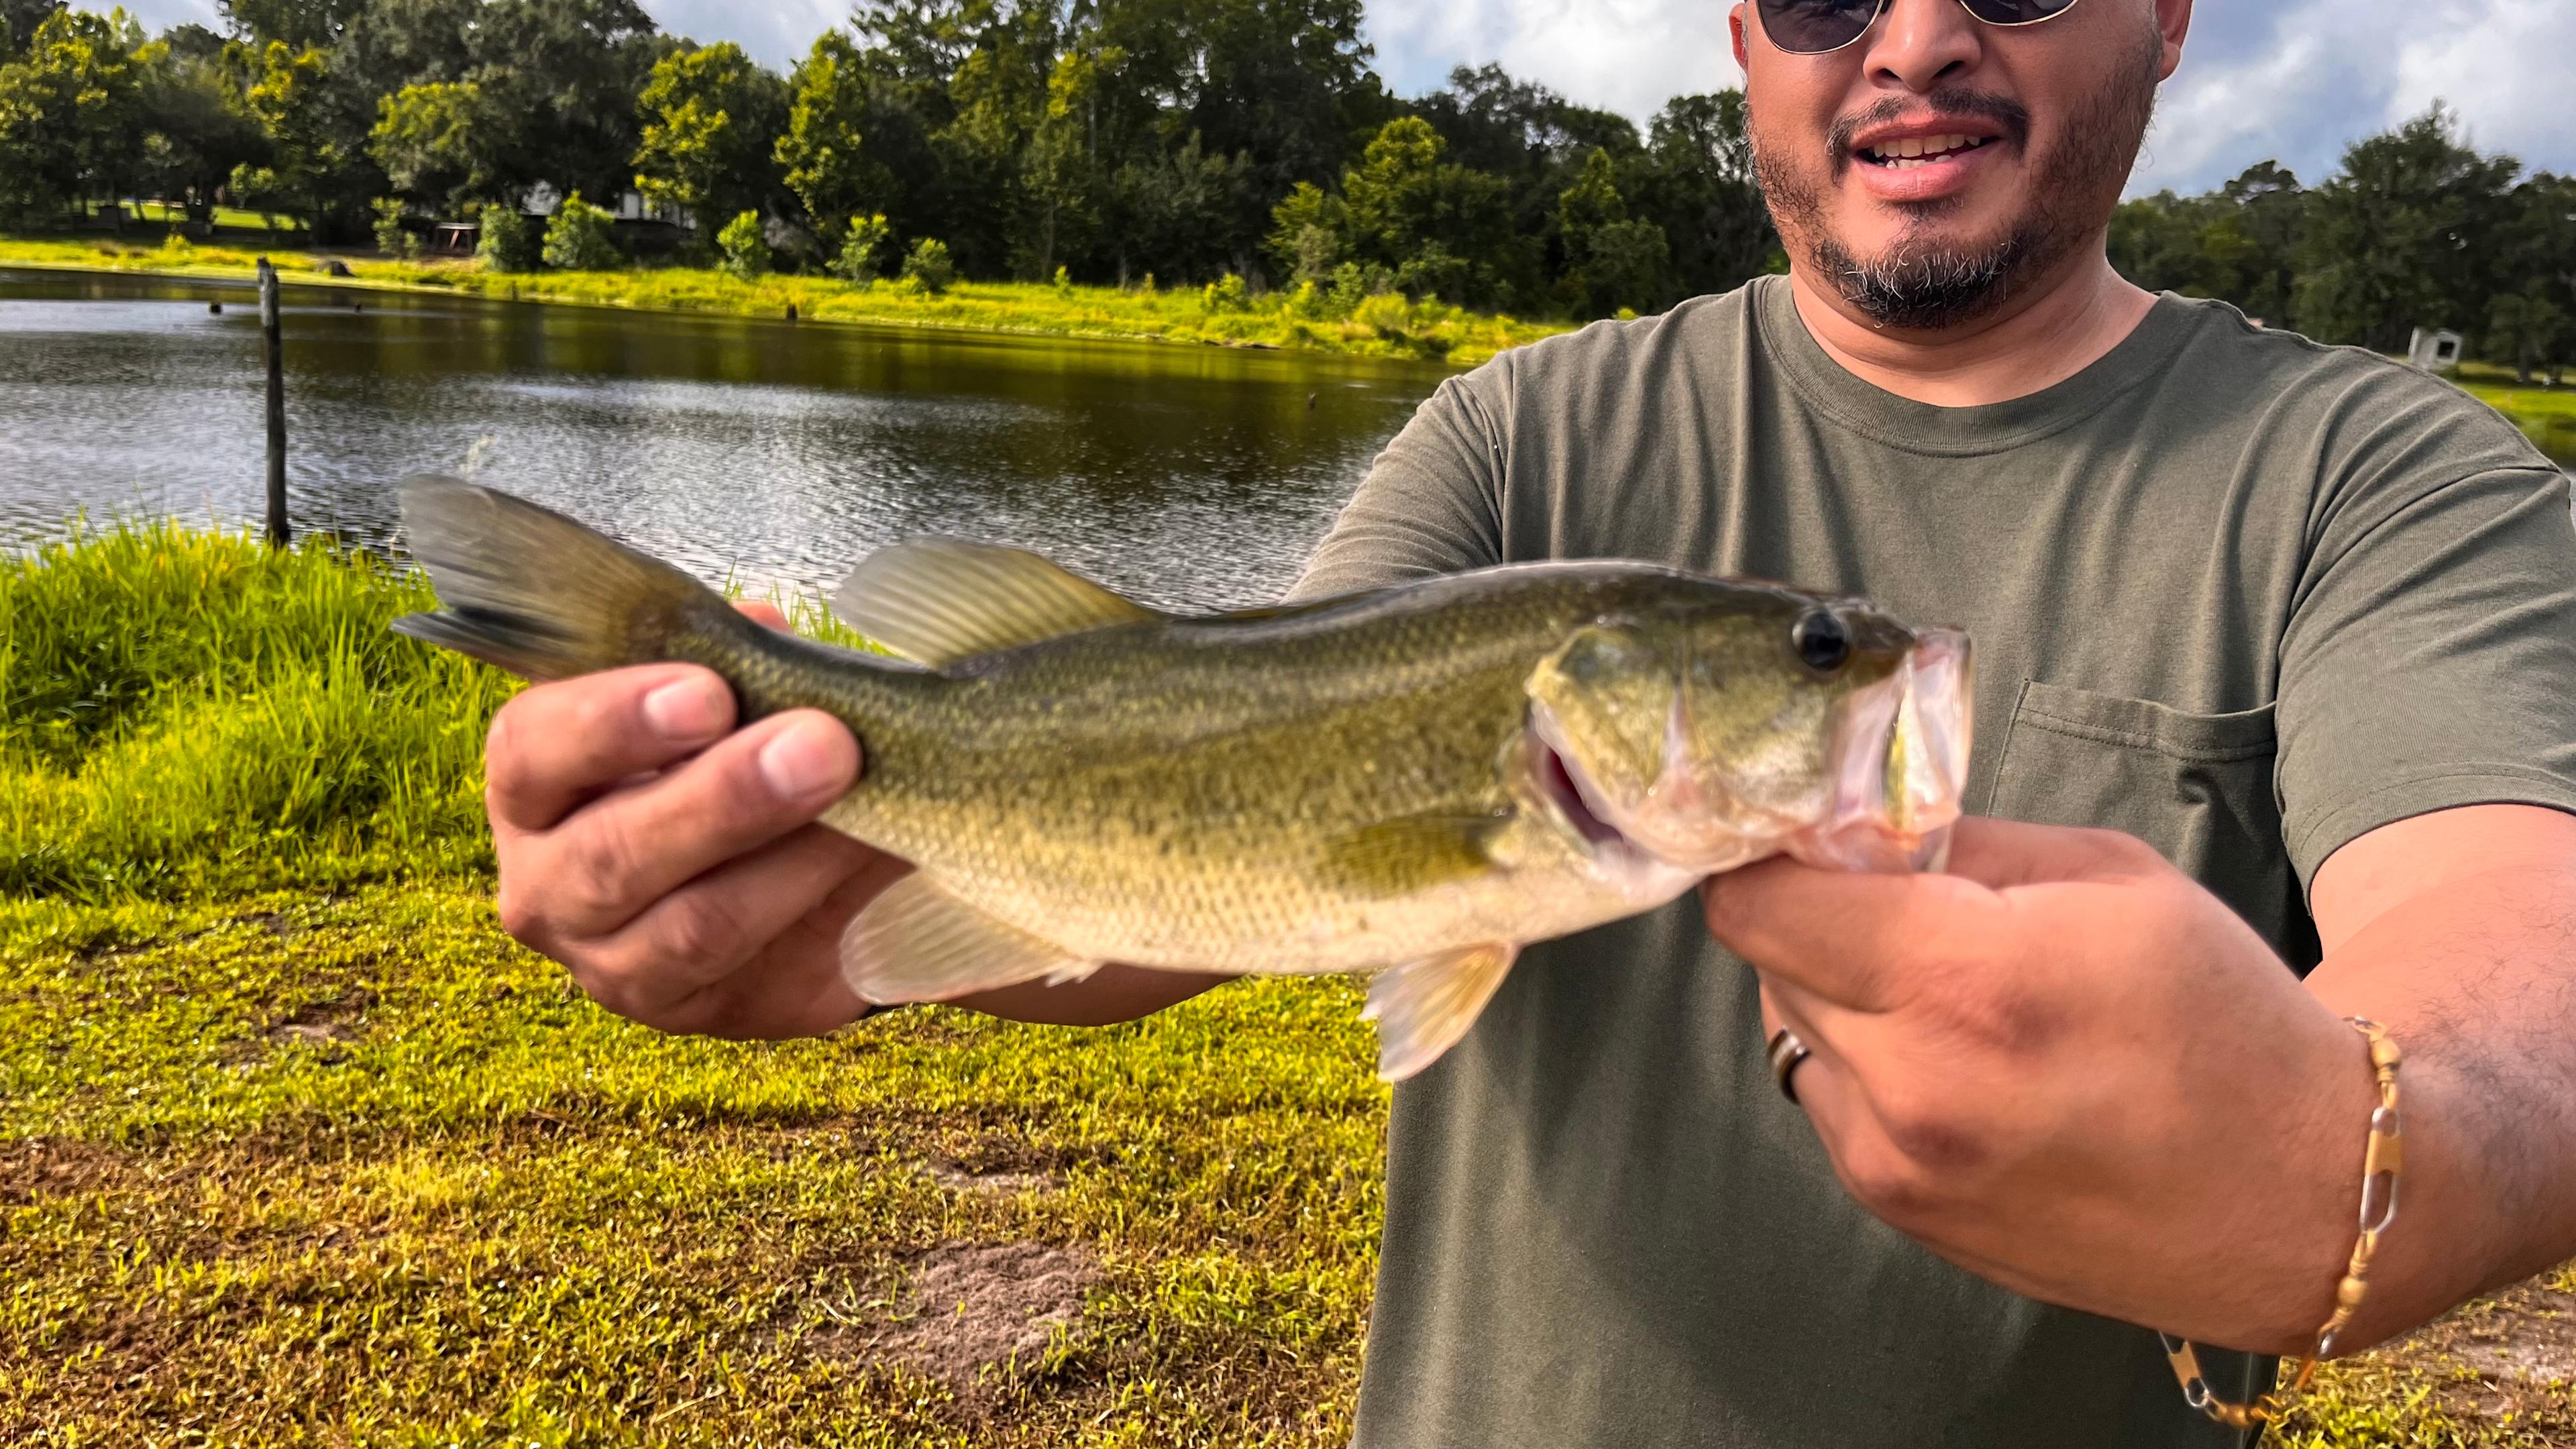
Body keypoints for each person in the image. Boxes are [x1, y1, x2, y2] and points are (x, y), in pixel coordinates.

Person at [468, 0, 2576, 1443]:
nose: (1918, 36)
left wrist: (2366, 1147)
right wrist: (827, 862)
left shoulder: (2390, 482)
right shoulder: (1521, 436)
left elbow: (2524, 957)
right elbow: (1208, 859)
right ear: (1742, 35)